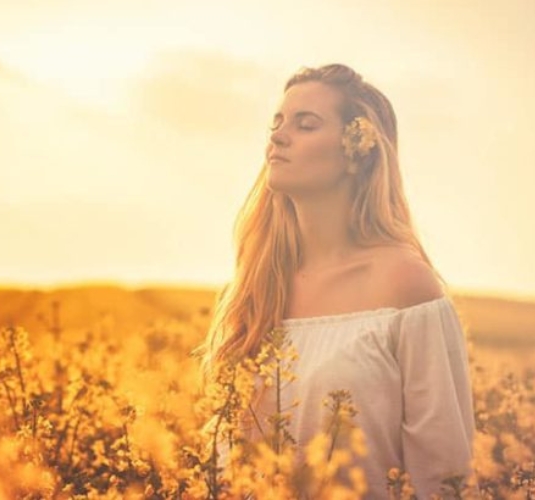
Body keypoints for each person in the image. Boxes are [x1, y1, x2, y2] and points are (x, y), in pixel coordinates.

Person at [195, 63, 477, 499]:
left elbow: (444, 472)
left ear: (356, 150)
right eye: (277, 123)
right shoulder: (259, 286)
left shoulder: (405, 284)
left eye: (305, 124)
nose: (278, 136)